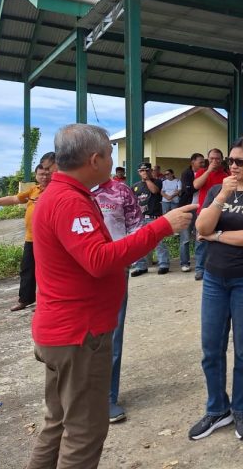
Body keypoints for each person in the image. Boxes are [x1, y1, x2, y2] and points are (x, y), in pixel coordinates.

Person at [26, 124, 194, 469]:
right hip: (78, 336)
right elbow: (99, 260)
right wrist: (162, 226)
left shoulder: (60, 195)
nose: (112, 162)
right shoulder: (69, 201)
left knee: (56, 423)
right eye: (109, 155)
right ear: (94, 159)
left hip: (61, 331)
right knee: (84, 432)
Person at [188, 135, 243, 441]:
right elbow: (201, 227)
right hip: (215, 278)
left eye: (240, 161)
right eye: (230, 161)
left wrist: (216, 236)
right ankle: (217, 409)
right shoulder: (217, 190)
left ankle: (240, 409)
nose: (234, 166)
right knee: (211, 348)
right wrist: (220, 198)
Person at [92, 177, 143, 423]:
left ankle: (107, 398)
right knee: (78, 335)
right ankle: (78, 396)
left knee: (112, 334)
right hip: (78, 274)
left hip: (114, 271)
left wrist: (123, 258)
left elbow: (136, 226)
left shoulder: (120, 191)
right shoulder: (69, 192)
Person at [0, 164, 52, 311]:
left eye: (47, 174)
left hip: (48, 240)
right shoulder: (33, 190)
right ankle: (25, 299)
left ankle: (47, 302)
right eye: (41, 174)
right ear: (36, 176)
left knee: (48, 272)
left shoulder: (55, 190)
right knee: (27, 269)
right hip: (31, 238)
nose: (44, 177)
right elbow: (14, 199)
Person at [193, 148, 230, 281]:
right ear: (208, 159)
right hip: (203, 212)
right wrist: (208, 170)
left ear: (221, 159)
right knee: (201, 242)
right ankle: (199, 269)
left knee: (218, 241)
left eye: (217, 158)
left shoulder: (226, 175)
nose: (215, 161)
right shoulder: (202, 172)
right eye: (212, 158)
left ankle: (215, 268)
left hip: (222, 213)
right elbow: (196, 185)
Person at [130, 163, 169, 276]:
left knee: (158, 242)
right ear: (139, 172)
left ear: (151, 171)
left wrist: (147, 179)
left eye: (146, 170)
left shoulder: (157, 181)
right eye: (141, 171)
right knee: (139, 243)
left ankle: (163, 264)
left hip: (154, 217)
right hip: (140, 218)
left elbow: (155, 191)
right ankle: (141, 266)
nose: (144, 172)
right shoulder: (135, 186)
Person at [178, 153, 205, 273]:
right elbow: (189, 190)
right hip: (187, 208)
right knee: (185, 238)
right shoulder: (186, 173)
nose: (203, 164)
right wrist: (200, 183)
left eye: (204, 162)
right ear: (192, 162)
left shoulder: (205, 173)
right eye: (200, 162)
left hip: (201, 209)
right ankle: (184, 263)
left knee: (200, 238)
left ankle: (200, 264)